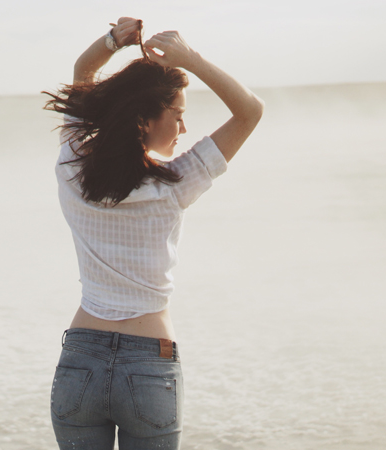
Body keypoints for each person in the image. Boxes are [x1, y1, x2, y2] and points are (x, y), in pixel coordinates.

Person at [43, 17, 264, 450]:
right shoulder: (176, 183)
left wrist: (112, 42)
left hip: (80, 359)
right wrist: (191, 60)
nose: (183, 130)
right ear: (144, 121)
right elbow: (250, 111)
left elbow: (82, 74)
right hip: (149, 363)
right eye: (178, 115)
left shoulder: (72, 164)